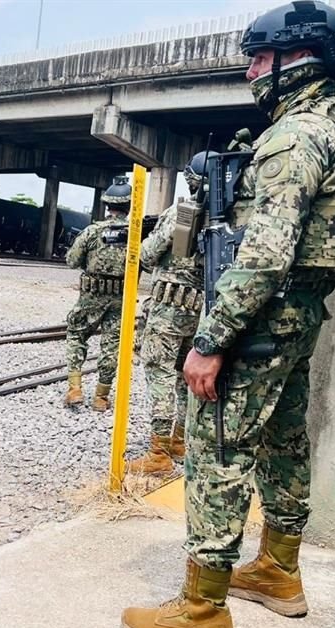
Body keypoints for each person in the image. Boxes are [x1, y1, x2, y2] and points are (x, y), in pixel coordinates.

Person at [121, 2, 335, 628]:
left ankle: (202, 610)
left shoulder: (294, 137)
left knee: (216, 445)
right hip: (303, 313)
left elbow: (265, 253)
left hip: (263, 315)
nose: (250, 73)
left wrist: (211, 340)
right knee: (286, 436)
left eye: (259, 58)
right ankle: (278, 569)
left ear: (299, 59)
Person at [124, 158, 210, 476]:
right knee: (184, 375)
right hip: (200, 310)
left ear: (189, 181)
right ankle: (180, 439)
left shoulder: (181, 212)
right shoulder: (223, 217)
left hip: (167, 308)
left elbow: (146, 256)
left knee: (158, 371)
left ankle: (158, 453)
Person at [63, 175, 132, 411]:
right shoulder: (136, 234)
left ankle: (74, 389)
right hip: (120, 298)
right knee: (111, 346)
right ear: (129, 206)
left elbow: (72, 261)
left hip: (91, 296)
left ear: (107, 205)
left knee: (76, 334)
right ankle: (101, 397)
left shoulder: (93, 231)